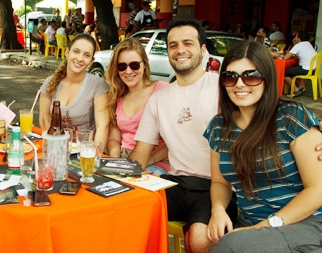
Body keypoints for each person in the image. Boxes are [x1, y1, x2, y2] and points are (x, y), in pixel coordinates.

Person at [129, 18, 237, 252]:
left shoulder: (224, 89)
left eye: (187, 43)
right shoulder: (159, 99)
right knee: (124, 211)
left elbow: (264, 114)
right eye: (173, 45)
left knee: (199, 240)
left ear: (203, 49)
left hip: (217, 186)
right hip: (175, 184)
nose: (179, 50)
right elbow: (141, 151)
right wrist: (121, 174)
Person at [204, 40, 322, 252]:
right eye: (230, 77)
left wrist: (264, 227)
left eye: (251, 76)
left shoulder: (292, 117)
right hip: (252, 224)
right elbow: (220, 183)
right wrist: (218, 210)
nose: (240, 84)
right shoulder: (218, 127)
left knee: (230, 247)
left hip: (305, 221)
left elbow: (317, 190)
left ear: (267, 79)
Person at [104, 38, 169, 175]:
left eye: (134, 65)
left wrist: (148, 160)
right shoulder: (118, 95)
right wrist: (115, 160)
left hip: (156, 161)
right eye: (122, 66)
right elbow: (114, 138)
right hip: (123, 159)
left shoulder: (162, 90)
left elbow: (174, 139)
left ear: (144, 64)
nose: (128, 71)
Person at [39, 33, 109, 149]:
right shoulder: (50, 82)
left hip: (84, 153)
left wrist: (95, 157)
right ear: (67, 53)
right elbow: (44, 120)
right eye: (76, 52)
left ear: (91, 61)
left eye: (86, 55)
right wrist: (52, 148)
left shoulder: (98, 84)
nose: (80, 58)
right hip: (56, 149)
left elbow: (103, 125)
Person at [280, 31, 317, 97]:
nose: (295, 38)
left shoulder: (299, 45)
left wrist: (294, 45)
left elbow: (286, 57)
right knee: (294, 69)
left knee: (284, 73)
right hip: (313, 69)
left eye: (296, 37)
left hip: (306, 69)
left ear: (299, 38)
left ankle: (296, 90)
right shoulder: (308, 44)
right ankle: (300, 87)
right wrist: (295, 45)